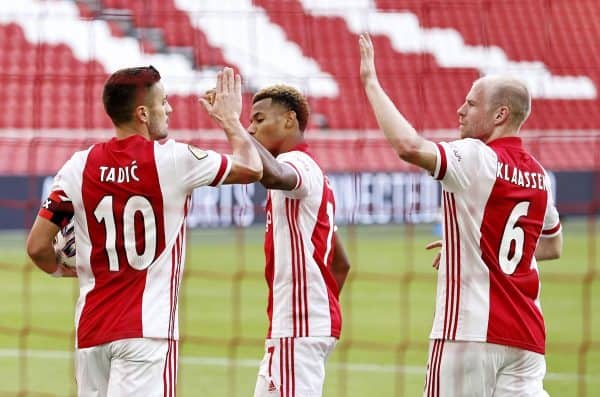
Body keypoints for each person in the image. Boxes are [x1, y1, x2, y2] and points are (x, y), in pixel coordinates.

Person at [26, 65, 262, 396]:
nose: (169, 109)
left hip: (91, 333)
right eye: (163, 102)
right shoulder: (175, 160)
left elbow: (37, 247)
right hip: (147, 333)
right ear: (142, 113)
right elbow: (252, 167)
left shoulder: (77, 166)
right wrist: (230, 120)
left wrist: (73, 269)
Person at [358, 33, 563, 396]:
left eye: (470, 104)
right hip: (527, 339)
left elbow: (409, 147)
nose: (460, 111)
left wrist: (371, 83)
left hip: (468, 334)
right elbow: (551, 247)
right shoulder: (539, 175)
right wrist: (472, 243)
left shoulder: (474, 156)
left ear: (500, 114)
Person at [247, 85, 351, 396]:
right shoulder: (314, 173)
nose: (250, 128)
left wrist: (228, 124)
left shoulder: (299, 164)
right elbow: (341, 263)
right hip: (301, 327)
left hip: (297, 330)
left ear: (289, 120)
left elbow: (273, 175)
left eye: (259, 119)